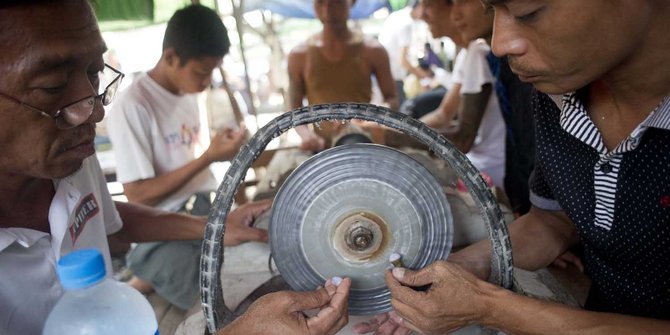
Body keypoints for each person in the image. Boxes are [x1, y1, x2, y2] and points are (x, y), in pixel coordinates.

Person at [0, 1, 351, 334]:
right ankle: (148, 274)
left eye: (95, 73)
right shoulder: (115, 114)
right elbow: (138, 194)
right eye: (52, 86)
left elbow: (103, 219)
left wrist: (213, 226)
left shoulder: (70, 151)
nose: (94, 112)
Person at [367, 0, 670, 333]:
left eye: (529, 12)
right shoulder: (560, 94)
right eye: (493, 10)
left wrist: (489, 307)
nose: (500, 44)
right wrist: (464, 266)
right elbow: (553, 220)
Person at [106, 4, 249, 310]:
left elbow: (191, 158)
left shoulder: (189, 92)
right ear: (170, 57)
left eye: (212, 70)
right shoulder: (134, 104)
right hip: (161, 232)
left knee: (257, 261)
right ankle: (146, 270)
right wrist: (209, 156)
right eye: (201, 71)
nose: (207, 80)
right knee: (217, 299)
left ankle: (146, 279)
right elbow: (137, 196)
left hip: (204, 209)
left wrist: (218, 150)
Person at [418, 0, 508, 189]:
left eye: (428, 6)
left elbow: (463, 138)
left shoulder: (479, 51)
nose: (422, 15)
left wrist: (388, 137)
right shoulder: (467, 55)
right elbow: (443, 115)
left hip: (491, 167)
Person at [288, 0, 399, 151]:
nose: (327, 9)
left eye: (336, 2)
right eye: (321, 2)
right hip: (323, 148)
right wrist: (307, 136)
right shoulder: (299, 56)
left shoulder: (373, 51)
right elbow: (295, 110)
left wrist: (370, 118)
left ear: (351, 2)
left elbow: (392, 99)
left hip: (365, 142)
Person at [378, 0, 430, 106]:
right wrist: (423, 76)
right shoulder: (406, 23)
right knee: (399, 117)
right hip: (394, 77)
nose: (426, 14)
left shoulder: (396, 16)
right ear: (419, 7)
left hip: (383, 74)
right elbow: (403, 60)